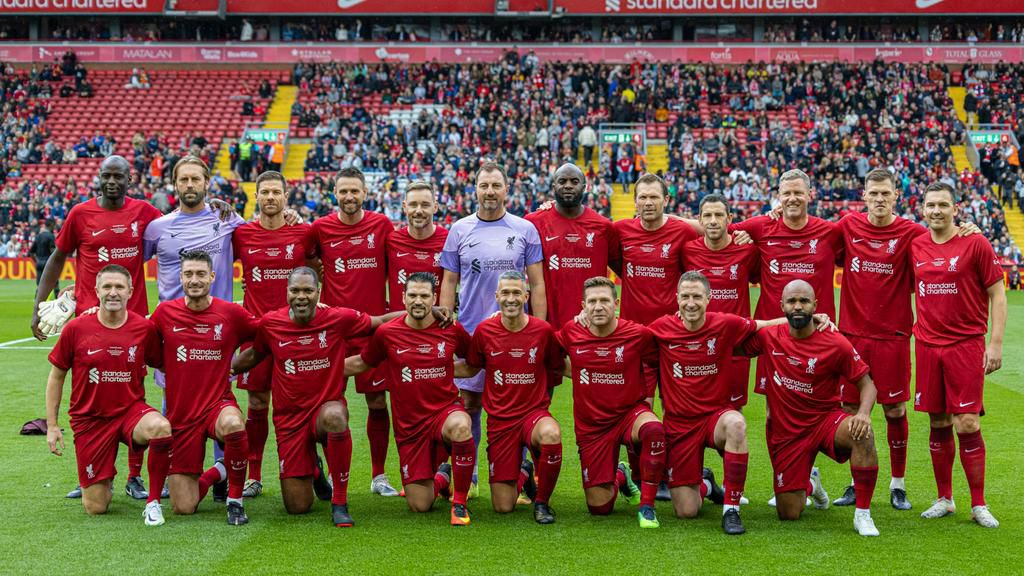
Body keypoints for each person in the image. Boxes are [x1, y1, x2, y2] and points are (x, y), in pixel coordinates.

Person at [32, 155, 162, 500]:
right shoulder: (80, 214)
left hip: (133, 321)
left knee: (134, 391)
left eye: (119, 177)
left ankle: (135, 475)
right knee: (86, 394)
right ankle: (89, 473)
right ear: (99, 178)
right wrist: (38, 302)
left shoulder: (145, 213)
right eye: (107, 176)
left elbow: (176, 229)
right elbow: (58, 256)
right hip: (89, 320)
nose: (112, 182)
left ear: (129, 180)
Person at [231, 267, 402, 527]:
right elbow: (255, 355)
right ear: (286, 292)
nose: (302, 297)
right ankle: (314, 469)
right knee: (297, 507)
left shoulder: (337, 318)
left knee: (335, 417)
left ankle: (340, 503)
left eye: (308, 291)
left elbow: (379, 322)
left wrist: (425, 314)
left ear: (318, 292)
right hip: (289, 420)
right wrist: (226, 368)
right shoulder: (271, 323)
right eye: (296, 291)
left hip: (325, 409)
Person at [742, 279, 881, 537]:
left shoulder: (835, 342)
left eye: (804, 301)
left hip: (825, 423)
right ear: (781, 304)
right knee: (789, 513)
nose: (797, 306)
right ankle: (810, 483)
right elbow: (731, 342)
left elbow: (868, 385)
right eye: (792, 301)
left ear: (815, 306)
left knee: (862, 433)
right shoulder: (769, 336)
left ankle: (863, 514)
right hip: (787, 433)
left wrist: (863, 414)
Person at [440, 161, 546, 497]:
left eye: (495, 185)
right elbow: (450, 280)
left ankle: (519, 475)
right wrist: (447, 322)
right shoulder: (459, 229)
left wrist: (540, 328)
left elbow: (537, 283)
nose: (489, 192)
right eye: (484, 185)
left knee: (519, 405)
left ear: (506, 188)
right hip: (472, 331)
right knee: (469, 403)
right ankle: (467, 478)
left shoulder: (524, 229)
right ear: (474, 189)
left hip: (516, 334)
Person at [911, 182, 1007, 528]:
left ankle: (979, 504)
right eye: (930, 205)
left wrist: (994, 344)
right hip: (926, 346)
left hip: (965, 345)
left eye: (942, 205)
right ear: (922, 209)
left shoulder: (975, 242)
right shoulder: (915, 244)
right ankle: (945, 498)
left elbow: (998, 294)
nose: (936, 210)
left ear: (956, 209)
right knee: (937, 422)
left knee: (967, 422)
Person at [45, 265, 172, 525]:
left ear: (130, 292)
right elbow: (56, 376)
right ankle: (105, 478)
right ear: (96, 291)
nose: (113, 293)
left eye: (119, 287)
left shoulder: (143, 328)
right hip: (91, 420)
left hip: (130, 412)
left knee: (160, 427)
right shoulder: (76, 329)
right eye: (107, 287)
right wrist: (52, 425)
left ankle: (154, 502)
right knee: (96, 507)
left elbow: (164, 365)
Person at [345, 272, 476, 525]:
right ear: (403, 298)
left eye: (424, 296)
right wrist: (322, 368)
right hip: (410, 428)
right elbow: (362, 362)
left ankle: (459, 503)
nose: (418, 301)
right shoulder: (386, 333)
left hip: (444, 413)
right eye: (413, 295)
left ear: (434, 298)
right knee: (420, 505)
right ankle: (442, 476)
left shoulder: (450, 328)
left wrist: (449, 370)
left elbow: (473, 362)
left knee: (460, 426)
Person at [311, 166, 400, 498]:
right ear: (335, 193)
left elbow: (397, 268)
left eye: (355, 191)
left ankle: (378, 476)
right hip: (333, 332)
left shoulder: (380, 225)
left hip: (372, 329)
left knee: (377, 401)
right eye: (343, 191)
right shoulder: (320, 228)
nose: (349, 196)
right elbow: (304, 265)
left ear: (365, 193)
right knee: (329, 403)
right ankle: (331, 474)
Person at [149, 251, 256, 525]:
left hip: (216, 405)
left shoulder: (231, 313)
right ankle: (217, 471)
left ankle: (235, 500)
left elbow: (266, 334)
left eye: (200, 274)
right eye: (188, 274)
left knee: (234, 423)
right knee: (184, 507)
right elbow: (136, 334)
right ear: (180, 277)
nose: (194, 280)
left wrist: (241, 364)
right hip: (181, 416)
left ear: (212, 276)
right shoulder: (164, 313)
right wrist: (95, 309)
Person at [232, 170, 316, 499]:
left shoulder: (303, 232)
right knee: (256, 402)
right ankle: (254, 474)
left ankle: (309, 465)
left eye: (275, 193)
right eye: (264, 192)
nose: (270, 198)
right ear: (256, 197)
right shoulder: (242, 234)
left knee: (299, 404)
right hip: (256, 333)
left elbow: (315, 270)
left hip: (296, 333)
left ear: (285, 197)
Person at [557, 276, 667, 528]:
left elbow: (661, 359)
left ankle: (647, 507)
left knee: (654, 429)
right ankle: (621, 475)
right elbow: (546, 355)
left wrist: (649, 395)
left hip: (630, 413)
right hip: (592, 426)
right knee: (599, 508)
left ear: (616, 303)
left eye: (604, 300)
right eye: (592, 301)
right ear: (582, 305)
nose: (598, 307)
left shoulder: (638, 334)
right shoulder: (570, 332)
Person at [457, 271, 565, 524]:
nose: (511, 298)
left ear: (526, 296)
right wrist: (431, 366)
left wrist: (597, 372)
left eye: (517, 292)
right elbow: (471, 367)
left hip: (533, 414)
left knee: (551, 433)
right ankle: (525, 473)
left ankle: (542, 503)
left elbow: (559, 366)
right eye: (505, 292)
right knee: (503, 507)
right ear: (497, 296)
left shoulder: (542, 330)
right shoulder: (484, 331)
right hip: (501, 421)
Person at [732, 169, 842, 406]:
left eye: (798, 193)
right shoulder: (761, 227)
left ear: (810, 195)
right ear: (778, 197)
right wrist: (666, 218)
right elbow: (716, 227)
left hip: (818, 333)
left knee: (822, 406)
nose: (792, 198)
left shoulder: (830, 232)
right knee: (776, 410)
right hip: (776, 337)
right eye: (787, 193)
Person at [683, 193, 759, 409]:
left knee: (734, 413)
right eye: (707, 215)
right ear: (699, 220)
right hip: (697, 343)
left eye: (719, 215)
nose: (713, 220)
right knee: (693, 411)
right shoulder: (688, 251)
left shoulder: (748, 250)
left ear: (730, 218)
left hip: (735, 344)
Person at [526, 163, 617, 331]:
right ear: (553, 186)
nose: (568, 185)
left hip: (591, 328)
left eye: (574, 181)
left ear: (585, 186)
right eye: (562, 181)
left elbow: (626, 272)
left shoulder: (603, 227)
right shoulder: (533, 223)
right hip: (548, 327)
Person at [386, 180, 448, 325]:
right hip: (398, 328)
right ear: (404, 207)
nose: (419, 210)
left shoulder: (449, 240)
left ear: (435, 207)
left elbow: (456, 281)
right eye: (413, 204)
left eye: (425, 205)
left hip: (435, 328)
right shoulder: (391, 241)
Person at [30, 219, 59, 299]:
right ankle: (58, 298)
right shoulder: (50, 236)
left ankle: (37, 301)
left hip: (39, 262)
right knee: (55, 282)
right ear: (51, 225)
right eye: (54, 226)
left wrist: (37, 261)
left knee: (40, 284)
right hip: (48, 263)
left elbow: (31, 252)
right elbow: (53, 251)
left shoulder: (38, 236)